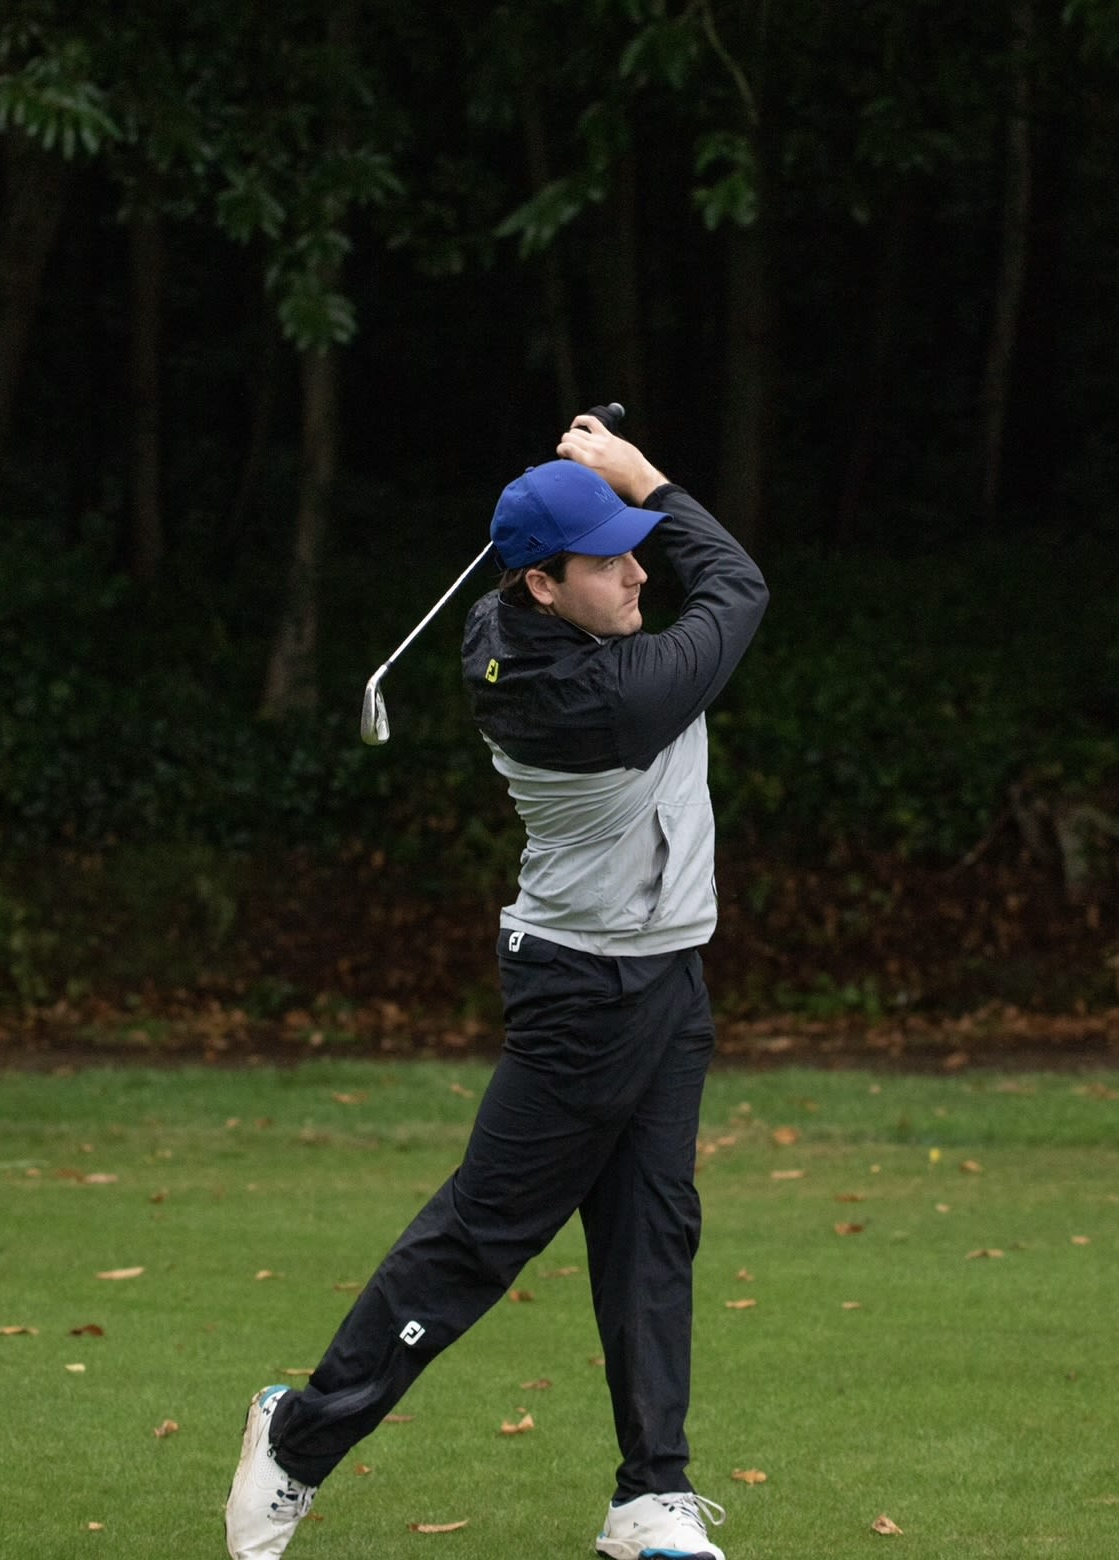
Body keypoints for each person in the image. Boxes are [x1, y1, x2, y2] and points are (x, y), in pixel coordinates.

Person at [224, 410, 769, 1560]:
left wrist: (579, 500)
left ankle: (651, 1497)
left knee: (653, 1232)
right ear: (541, 588)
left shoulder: (505, 620)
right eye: (608, 562)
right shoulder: (610, 698)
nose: (639, 573)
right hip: (586, 994)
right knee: (481, 1240)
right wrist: (646, 477)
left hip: (664, 974)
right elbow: (739, 587)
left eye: (633, 552)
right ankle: (296, 1438)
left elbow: (585, 563)